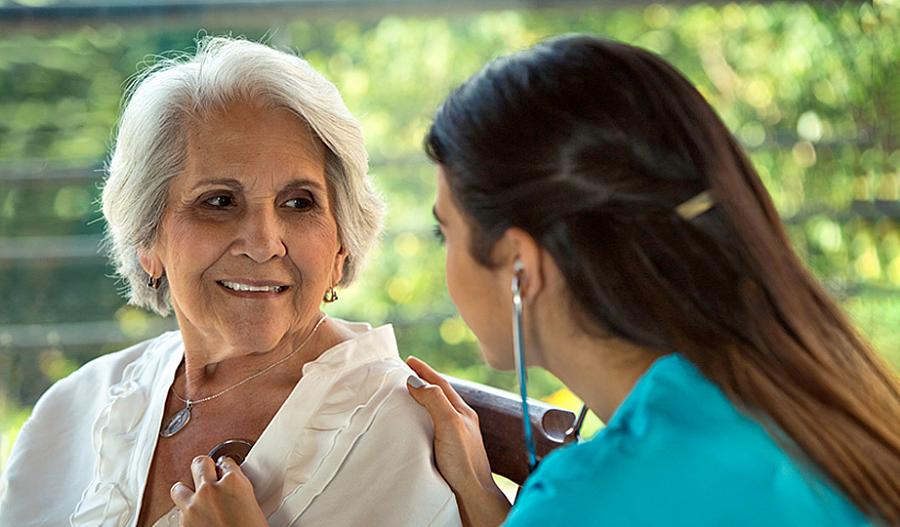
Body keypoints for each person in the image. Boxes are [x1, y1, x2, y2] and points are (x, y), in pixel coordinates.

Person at [173, 35, 900, 526]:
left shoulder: (596, 495)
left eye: (445, 230)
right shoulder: (803, 397)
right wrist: (492, 505)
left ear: (519, 265)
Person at [0, 37, 460, 527]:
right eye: (219, 201)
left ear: (341, 243)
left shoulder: (391, 431)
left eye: (299, 202)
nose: (263, 244)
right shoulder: (75, 407)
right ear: (146, 237)